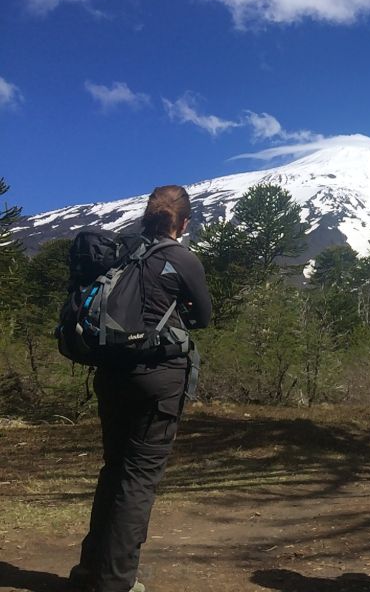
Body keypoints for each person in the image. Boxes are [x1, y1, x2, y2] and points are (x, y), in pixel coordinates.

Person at [69, 185, 212, 592]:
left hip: (111, 374)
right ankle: (116, 582)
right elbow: (202, 316)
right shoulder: (181, 258)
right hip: (158, 381)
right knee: (138, 480)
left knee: (114, 471)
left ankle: (89, 572)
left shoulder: (123, 253)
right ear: (183, 222)